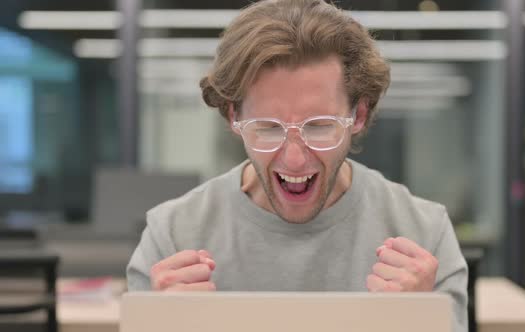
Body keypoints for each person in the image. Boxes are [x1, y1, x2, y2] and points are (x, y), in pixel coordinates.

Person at [127, 0, 468, 330]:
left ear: (358, 115)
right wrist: (161, 321)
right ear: (234, 117)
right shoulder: (171, 237)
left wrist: (423, 321)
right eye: (268, 127)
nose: (293, 158)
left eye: (319, 126)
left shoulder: (424, 234)